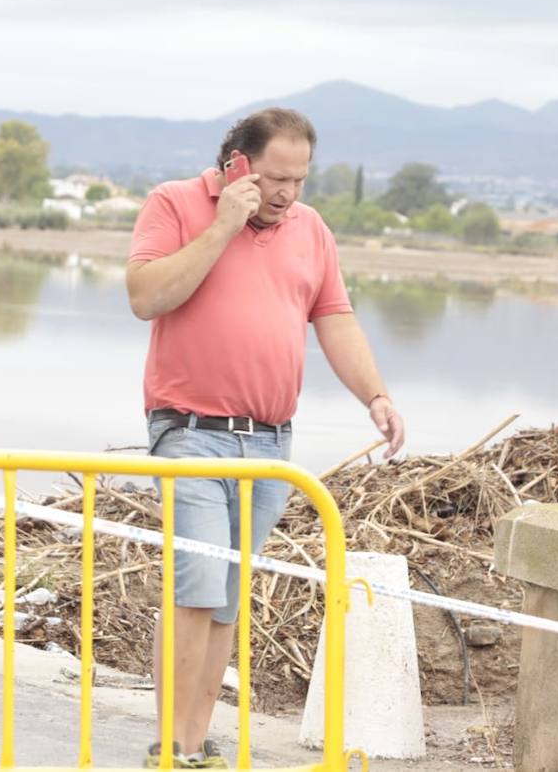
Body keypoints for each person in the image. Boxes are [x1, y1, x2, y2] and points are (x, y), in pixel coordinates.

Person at [126, 107, 405, 768]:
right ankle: (171, 746)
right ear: (238, 165)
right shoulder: (174, 203)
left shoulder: (311, 229)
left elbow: (335, 319)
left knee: (225, 599)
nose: (287, 193)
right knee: (195, 588)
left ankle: (196, 742)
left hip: (269, 443)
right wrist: (223, 225)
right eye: (277, 178)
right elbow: (145, 296)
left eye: (300, 179)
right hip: (191, 431)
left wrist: (376, 394)